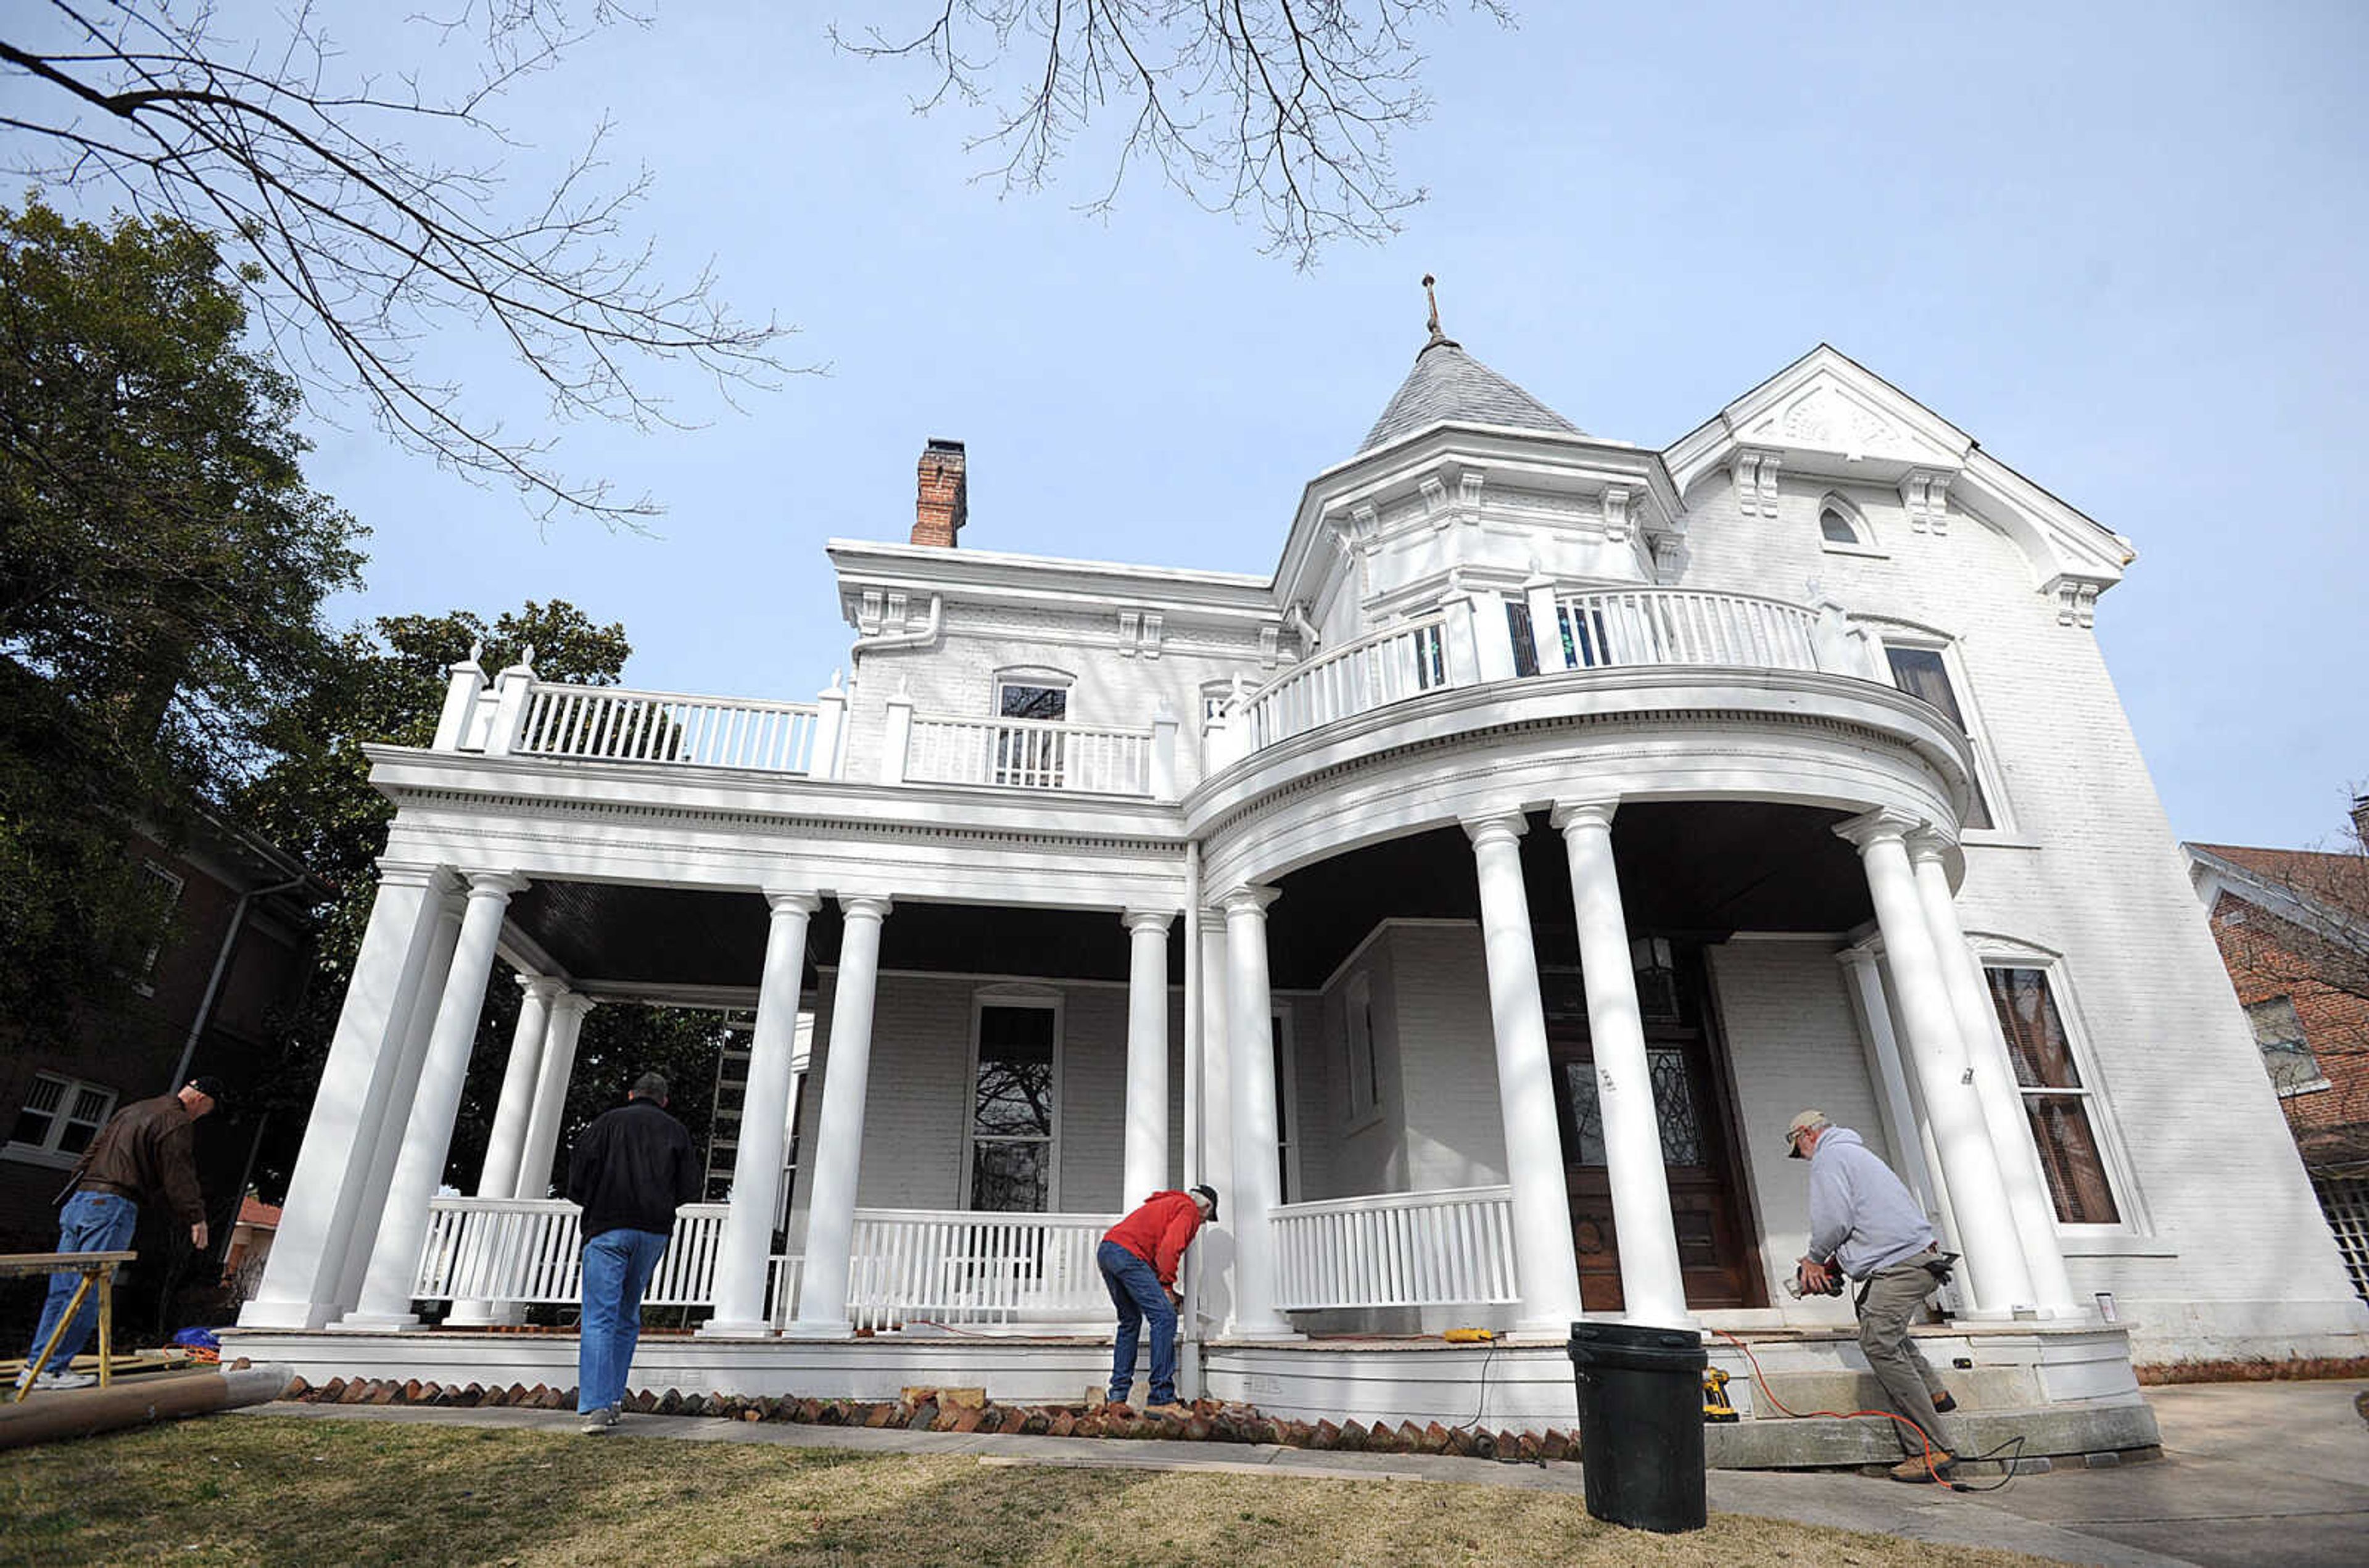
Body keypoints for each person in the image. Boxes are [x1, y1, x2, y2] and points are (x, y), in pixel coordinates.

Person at [1787, 1108, 1962, 1483]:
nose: (1802, 1158)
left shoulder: (1829, 1158)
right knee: (1876, 1317)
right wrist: (1834, 1264)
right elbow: (1862, 1218)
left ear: (1806, 1135)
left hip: (1901, 1264)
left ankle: (1933, 1450)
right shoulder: (1857, 1153)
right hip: (1916, 1257)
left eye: (1798, 1149)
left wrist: (1815, 1260)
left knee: (1878, 1342)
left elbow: (1835, 1219)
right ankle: (1934, 1393)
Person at [15, 1076, 221, 1394]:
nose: (201, 1117)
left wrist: (75, 1192)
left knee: (63, 1291)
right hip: (112, 1204)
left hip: (81, 1200)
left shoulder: (134, 1110)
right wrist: (196, 1217)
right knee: (90, 1290)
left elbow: (92, 1151)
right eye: (205, 1111)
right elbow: (178, 1170)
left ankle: (36, 1366)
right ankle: (52, 1370)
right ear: (201, 1099)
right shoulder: (175, 1120)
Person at [566, 1071, 700, 1435]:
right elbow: (689, 1188)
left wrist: (591, 1198)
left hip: (607, 1228)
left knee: (599, 1316)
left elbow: (576, 1179)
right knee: (627, 1313)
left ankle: (597, 1406)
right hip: (652, 1232)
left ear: (630, 1095)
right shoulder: (676, 1131)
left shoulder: (605, 1125)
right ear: (664, 1100)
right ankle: (611, 1401)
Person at [1097, 1184, 1217, 1416]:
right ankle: (1161, 1399)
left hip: (1108, 1250)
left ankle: (1118, 1397)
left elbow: (1153, 1252)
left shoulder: (1166, 1204)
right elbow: (1169, 1249)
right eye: (1206, 1220)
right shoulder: (1189, 1209)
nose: (1201, 1225)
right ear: (1206, 1206)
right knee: (1164, 1317)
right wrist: (1166, 1286)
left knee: (1130, 1321)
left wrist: (1163, 1285)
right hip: (1128, 1254)